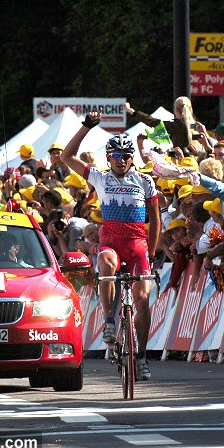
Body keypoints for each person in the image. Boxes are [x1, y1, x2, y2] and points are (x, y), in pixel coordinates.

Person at [60, 111, 160, 381]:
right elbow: (65, 157)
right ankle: (109, 320)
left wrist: (152, 253)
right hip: (111, 244)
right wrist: (86, 127)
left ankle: (141, 356)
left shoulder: (145, 181)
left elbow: (156, 220)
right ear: (108, 158)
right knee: (106, 264)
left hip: (138, 244)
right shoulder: (100, 178)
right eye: (115, 156)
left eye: (125, 157)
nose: (120, 161)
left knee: (142, 300)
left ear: (132, 159)